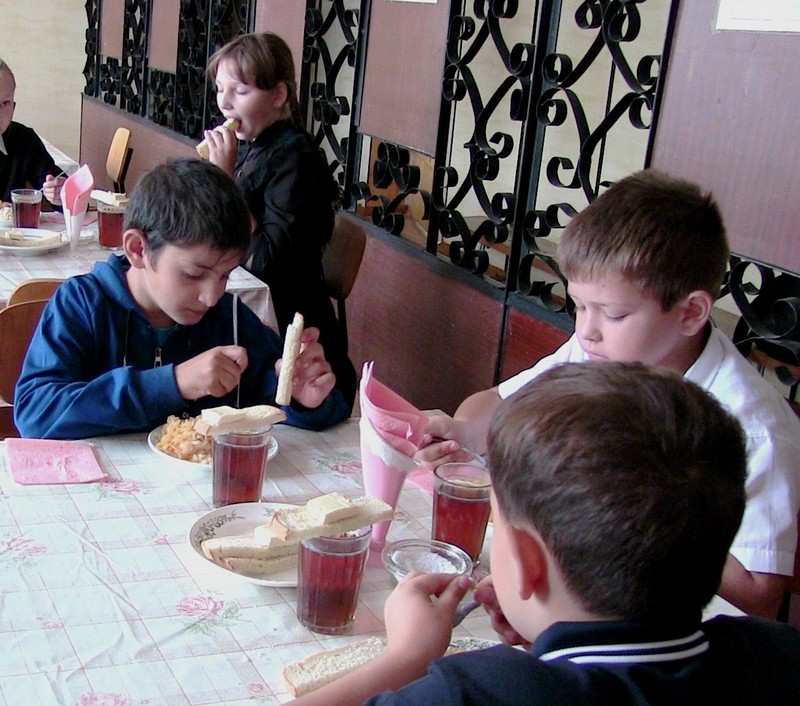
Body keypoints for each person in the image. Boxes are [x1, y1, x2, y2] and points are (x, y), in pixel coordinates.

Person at [290, 363, 800, 706]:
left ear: (528, 563)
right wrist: (552, 632)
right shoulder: (777, 654)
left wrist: (407, 657)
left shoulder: (481, 691)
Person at [416, 169, 800, 619]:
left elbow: (758, 596)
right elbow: (495, 404)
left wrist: (628, 514)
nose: (587, 330)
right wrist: (463, 432)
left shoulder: (753, 428)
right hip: (587, 602)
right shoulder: (597, 352)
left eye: (613, 314)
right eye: (579, 306)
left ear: (690, 312)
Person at [14, 158, 351, 439]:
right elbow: (35, 413)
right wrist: (173, 383)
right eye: (193, 274)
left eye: (225, 275)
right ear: (138, 249)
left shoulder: (230, 319)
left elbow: (308, 405)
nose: (212, 296)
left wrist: (305, 398)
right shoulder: (83, 304)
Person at [201, 32, 357, 412]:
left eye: (239, 91)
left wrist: (226, 182)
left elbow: (266, 262)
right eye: (220, 89)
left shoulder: (297, 159)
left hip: (295, 338)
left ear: (278, 96)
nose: (224, 102)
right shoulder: (252, 148)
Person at [0, 58, 64, 205]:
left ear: (14, 106)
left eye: (5, 103)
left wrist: (61, 194)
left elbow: (57, 183)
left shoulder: (23, 139)